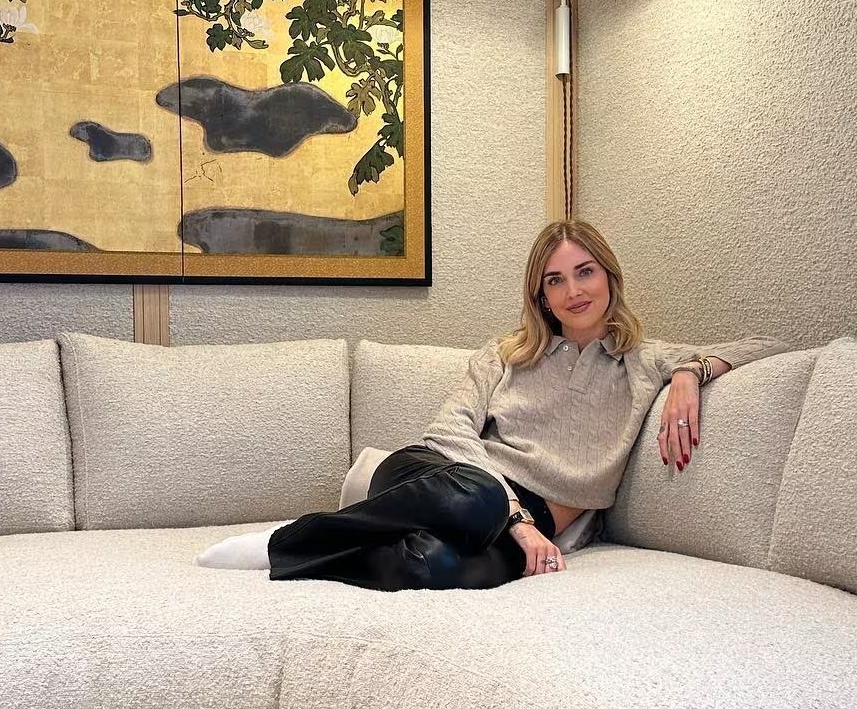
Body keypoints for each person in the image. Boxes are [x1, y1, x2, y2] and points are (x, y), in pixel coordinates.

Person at [196, 220, 788, 590]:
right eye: (555, 280)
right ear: (542, 296)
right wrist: (516, 519)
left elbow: (770, 345)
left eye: (585, 272)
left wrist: (689, 372)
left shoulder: (643, 361)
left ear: (610, 277)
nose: (573, 290)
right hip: (442, 477)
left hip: (525, 521)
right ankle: (286, 541)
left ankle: (324, 547)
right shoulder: (506, 354)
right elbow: (448, 430)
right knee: (476, 499)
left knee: (435, 566)